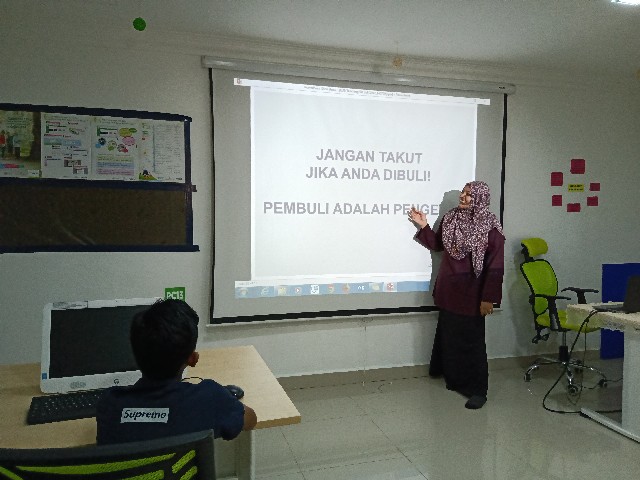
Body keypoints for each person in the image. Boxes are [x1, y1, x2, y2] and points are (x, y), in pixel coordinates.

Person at [96, 299, 257, 444]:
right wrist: (227, 400)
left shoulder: (109, 404)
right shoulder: (210, 399)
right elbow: (251, 420)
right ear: (193, 359)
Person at [408, 181, 504, 409]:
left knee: (473, 343)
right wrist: (423, 226)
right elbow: (438, 245)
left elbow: (495, 266)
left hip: (473, 294)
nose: (463, 196)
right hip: (448, 291)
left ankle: (478, 390)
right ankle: (455, 380)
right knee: (450, 338)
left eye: (469, 195)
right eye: (463, 192)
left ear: (480, 199)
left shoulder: (490, 227)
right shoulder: (451, 218)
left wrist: (488, 298)